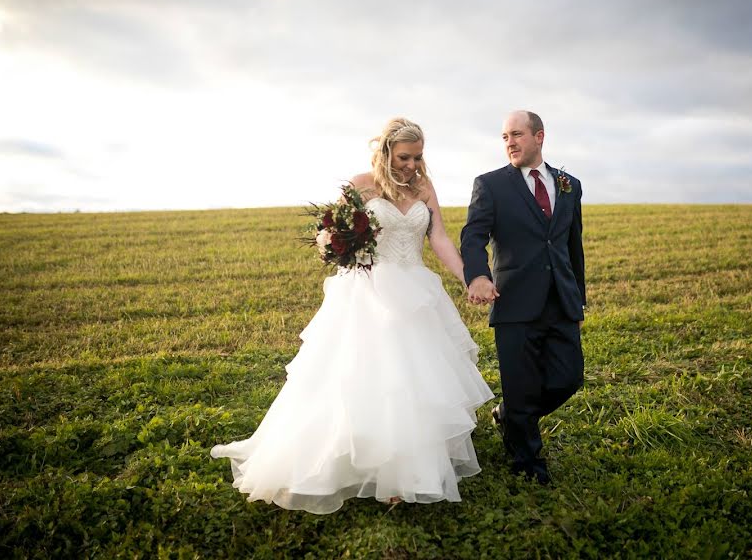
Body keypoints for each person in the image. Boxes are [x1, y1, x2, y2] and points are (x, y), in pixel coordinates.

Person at [211, 117, 493, 514]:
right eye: (404, 157)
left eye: (418, 157)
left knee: (415, 379)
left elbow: (439, 239)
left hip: (416, 287)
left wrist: (470, 277)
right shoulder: (362, 184)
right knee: (365, 376)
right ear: (386, 152)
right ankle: (351, 457)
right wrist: (334, 245)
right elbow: (335, 234)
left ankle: (407, 471)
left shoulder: (424, 188)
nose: (412, 165)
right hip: (368, 290)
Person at [460, 110, 586, 485]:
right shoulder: (491, 185)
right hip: (513, 300)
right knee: (521, 382)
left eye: (516, 134)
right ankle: (527, 465)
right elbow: (473, 237)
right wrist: (478, 275)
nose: (509, 143)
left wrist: (578, 298)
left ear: (539, 136)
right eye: (504, 137)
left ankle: (511, 414)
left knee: (569, 378)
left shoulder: (569, 184)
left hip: (561, 299)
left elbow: (571, 244)